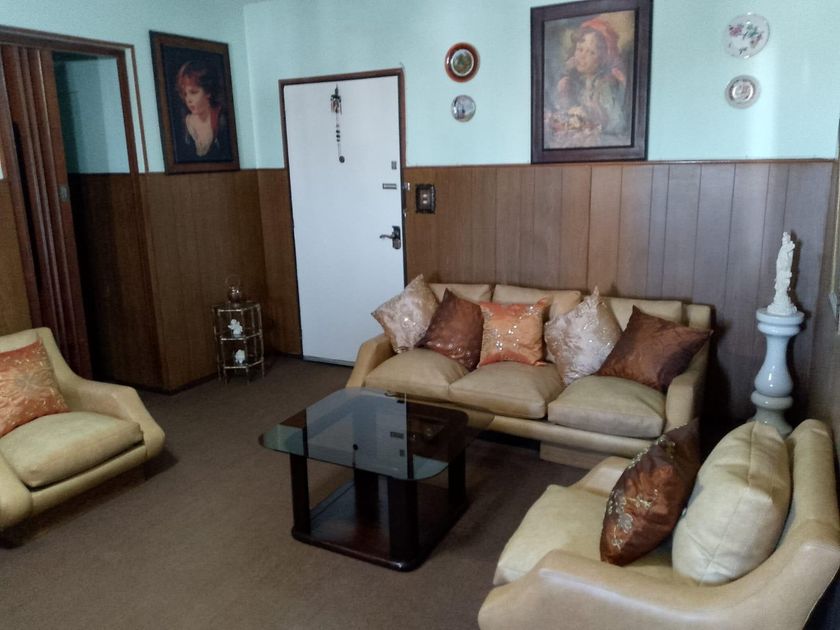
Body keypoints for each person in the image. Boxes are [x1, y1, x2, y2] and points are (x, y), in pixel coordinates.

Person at [545, 17, 629, 149]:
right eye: (580, 49)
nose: (582, 56)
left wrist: (599, 114)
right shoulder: (573, 82)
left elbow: (618, 124)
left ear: (602, 59)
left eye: (591, 52)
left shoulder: (604, 86)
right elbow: (562, 112)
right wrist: (564, 93)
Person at [174, 60, 230, 161]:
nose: (188, 100)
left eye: (193, 92)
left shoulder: (221, 119)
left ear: (208, 92)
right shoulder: (188, 123)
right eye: (185, 94)